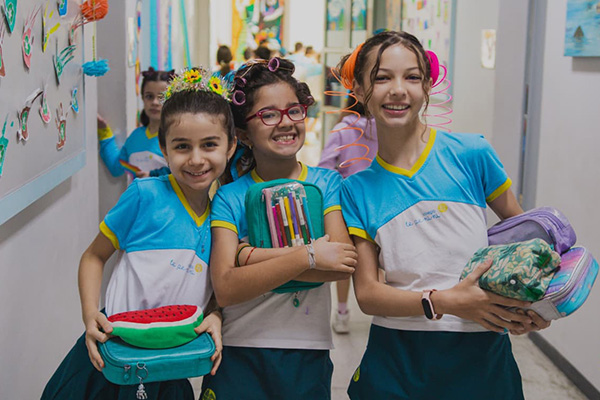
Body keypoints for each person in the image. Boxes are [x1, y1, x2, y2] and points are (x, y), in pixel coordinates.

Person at [337, 31, 551, 399]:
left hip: (482, 355)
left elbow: (525, 242)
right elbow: (369, 294)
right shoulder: (357, 190)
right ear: (358, 88)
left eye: (412, 77)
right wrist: (447, 300)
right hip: (397, 360)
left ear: (428, 85)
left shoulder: (471, 154)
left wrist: (532, 307)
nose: (398, 90)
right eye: (382, 77)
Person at [41, 68, 237, 400]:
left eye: (209, 145)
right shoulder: (144, 195)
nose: (196, 159)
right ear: (164, 147)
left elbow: (221, 280)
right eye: (181, 146)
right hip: (114, 351)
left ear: (230, 146)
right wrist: (90, 316)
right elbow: (93, 256)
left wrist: (216, 314)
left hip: (174, 359)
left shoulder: (226, 213)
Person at [200, 57, 358, 399]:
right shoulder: (229, 196)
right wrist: (310, 255)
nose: (285, 123)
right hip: (238, 350)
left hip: (307, 352)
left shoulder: (326, 184)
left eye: (294, 110)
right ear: (242, 133)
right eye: (269, 115)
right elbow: (226, 288)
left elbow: (341, 264)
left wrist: (249, 256)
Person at [318, 98, 377, 334]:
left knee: (346, 260)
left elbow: (325, 167)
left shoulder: (342, 130)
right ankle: (384, 310)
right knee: (379, 259)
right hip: (378, 202)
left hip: (347, 205)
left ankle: (342, 312)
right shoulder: (386, 130)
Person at [97, 67, 173, 180]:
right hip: (137, 197)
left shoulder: (176, 138)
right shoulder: (135, 137)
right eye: (149, 96)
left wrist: (152, 175)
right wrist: (104, 132)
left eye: (162, 97)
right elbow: (116, 168)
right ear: (142, 98)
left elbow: (184, 175)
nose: (155, 102)